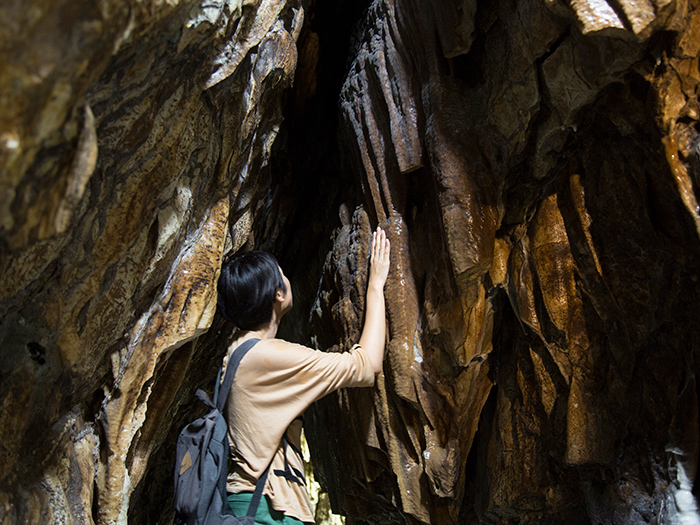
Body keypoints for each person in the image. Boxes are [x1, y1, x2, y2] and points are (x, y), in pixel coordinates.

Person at [216, 227, 391, 524]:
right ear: (278, 294)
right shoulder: (270, 357)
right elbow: (367, 364)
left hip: (245, 505)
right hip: (269, 509)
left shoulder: (235, 351)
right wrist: (375, 284)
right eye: (282, 275)